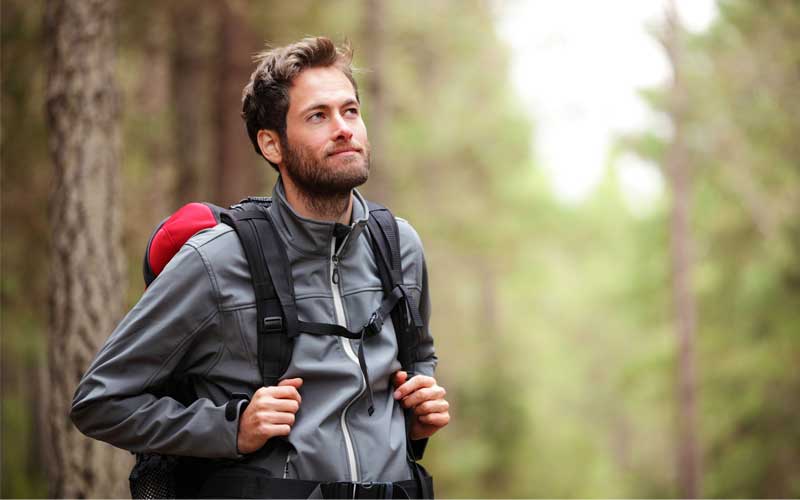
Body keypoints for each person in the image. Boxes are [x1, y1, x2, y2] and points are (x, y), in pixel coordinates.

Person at [70, 36, 449, 498]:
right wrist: (230, 428)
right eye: (318, 116)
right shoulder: (216, 261)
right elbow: (100, 402)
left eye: (350, 111)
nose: (344, 128)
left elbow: (419, 355)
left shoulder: (398, 246)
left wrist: (419, 409)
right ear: (272, 144)